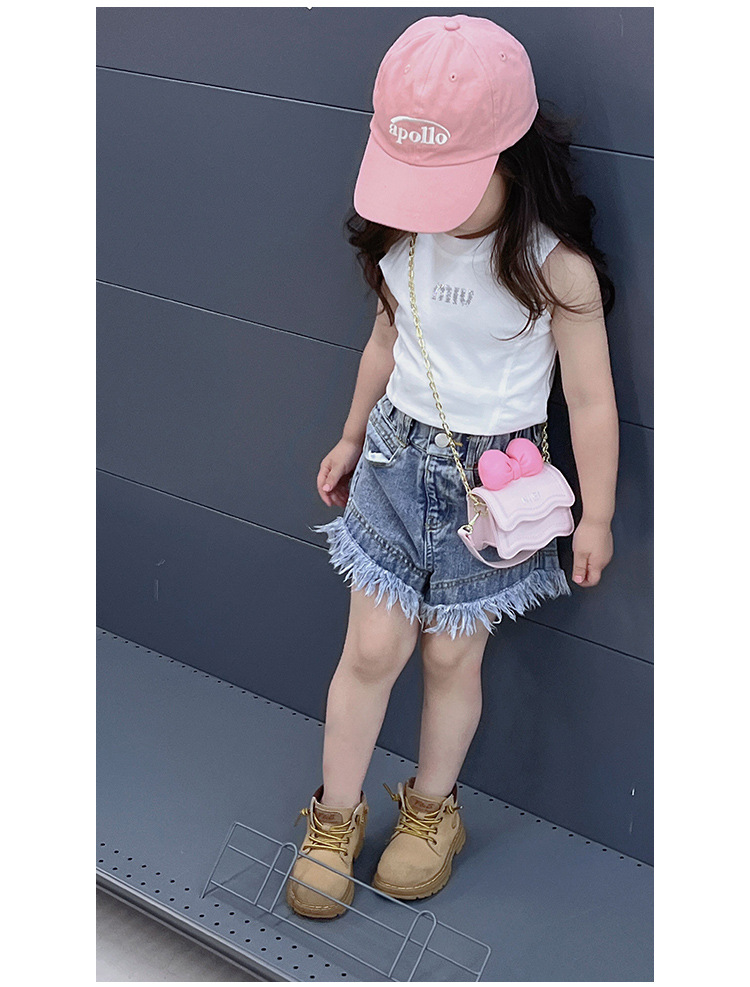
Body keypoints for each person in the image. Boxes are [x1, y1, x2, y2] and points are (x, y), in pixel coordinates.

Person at [286, 13, 619, 919]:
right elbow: (384, 342)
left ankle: (432, 810)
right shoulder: (404, 239)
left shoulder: (555, 270)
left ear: (509, 153)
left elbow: (591, 399)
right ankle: (335, 815)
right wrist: (351, 433)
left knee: (449, 654)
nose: (424, 204)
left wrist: (595, 514)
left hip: (493, 487)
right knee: (371, 648)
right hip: (395, 459)